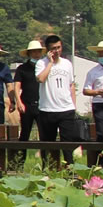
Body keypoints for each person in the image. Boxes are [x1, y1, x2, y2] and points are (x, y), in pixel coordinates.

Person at [35, 35, 76, 165]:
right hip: (47, 109)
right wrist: (50, 63)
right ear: (48, 50)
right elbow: (40, 79)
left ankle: (70, 171)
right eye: (53, 48)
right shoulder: (41, 63)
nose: (57, 51)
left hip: (66, 109)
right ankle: (48, 170)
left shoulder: (67, 64)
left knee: (68, 145)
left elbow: (71, 84)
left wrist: (73, 105)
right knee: (48, 145)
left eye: (58, 47)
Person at [15, 40, 45, 165]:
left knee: (44, 135)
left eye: (38, 51)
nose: (36, 54)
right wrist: (19, 101)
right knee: (24, 134)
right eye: (33, 52)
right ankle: (19, 164)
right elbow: (17, 86)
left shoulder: (45, 67)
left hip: (43, 104)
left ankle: (46, 163)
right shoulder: (22, 68)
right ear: (29, 53)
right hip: (27, 103)